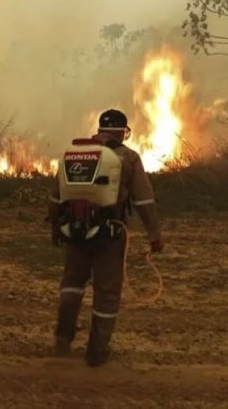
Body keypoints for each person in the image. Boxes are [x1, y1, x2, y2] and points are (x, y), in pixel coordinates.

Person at [48, 108, 164, 367]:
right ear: (123, 131)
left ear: (100, 129)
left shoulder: (75, 153)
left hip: (75, 233)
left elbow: (56, 196)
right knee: (107, 294)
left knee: (72, 283)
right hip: (109, 237)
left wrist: (56, 227)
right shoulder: (129, 158)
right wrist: (154, 234)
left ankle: (63, 338)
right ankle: (97, 352)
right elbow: (144, 200)